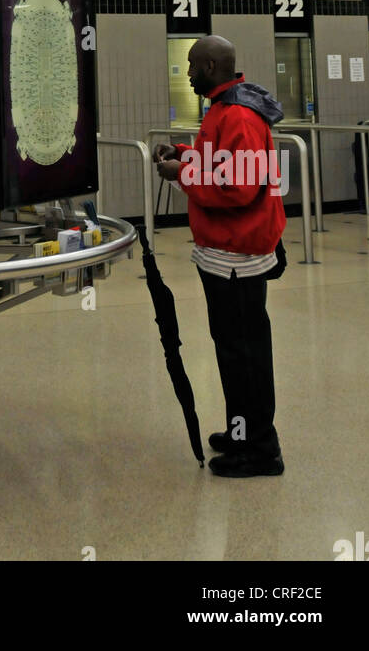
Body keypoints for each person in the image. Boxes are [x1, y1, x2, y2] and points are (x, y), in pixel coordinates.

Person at [153, 36, 286, 478]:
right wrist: (185, 155)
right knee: (233, 351)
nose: (187, 72)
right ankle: (241, 431)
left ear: (210, 65)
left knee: (242, 354)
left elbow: (239, 187)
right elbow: (222, 165)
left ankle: (260, 450)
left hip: (237, 258)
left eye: (191, 65)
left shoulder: (239, 116)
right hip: (225, 254)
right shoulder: (222, 109)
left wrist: (182, 173)